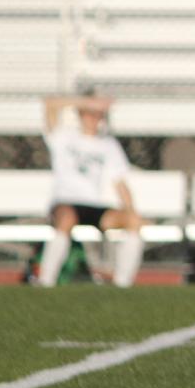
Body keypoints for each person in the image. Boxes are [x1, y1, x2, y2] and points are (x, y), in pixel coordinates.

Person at [35, 93, 147, 288]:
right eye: (89, 113)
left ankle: (123, 284)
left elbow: (120, 183)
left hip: (95, 205)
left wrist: (130, 209)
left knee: (134, 221)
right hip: (66, 201)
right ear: (81, 114)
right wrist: (86, 101)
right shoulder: (64, 137)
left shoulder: (108, 145)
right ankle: (46, 281)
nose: (94, 119)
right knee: (66, 219)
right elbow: (49, 104)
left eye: (98, 115)